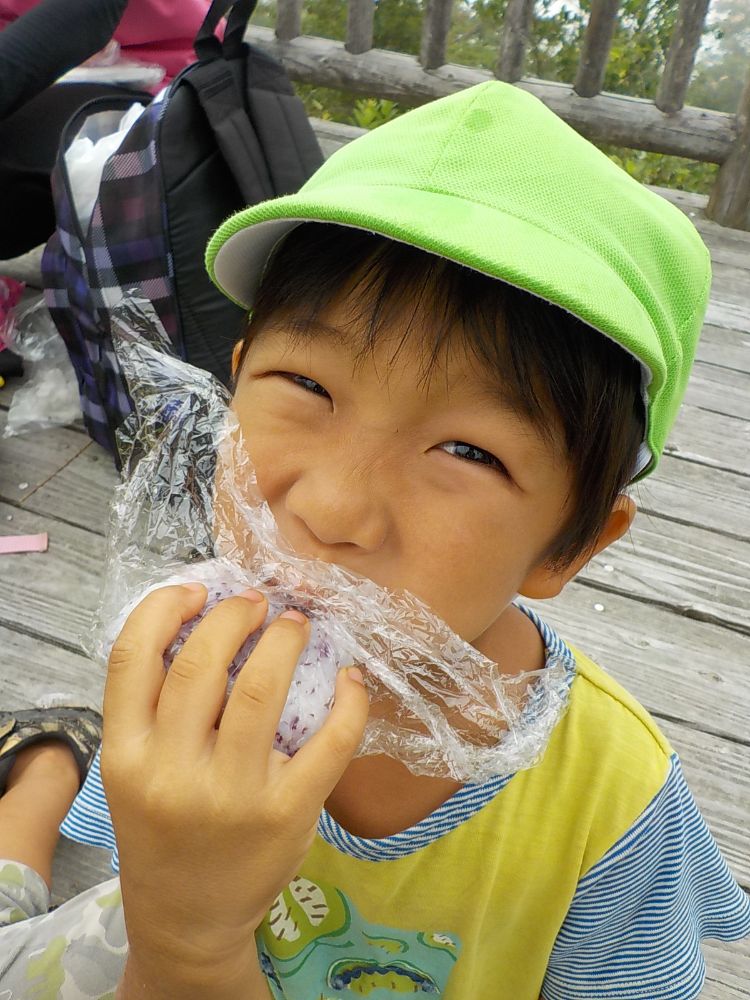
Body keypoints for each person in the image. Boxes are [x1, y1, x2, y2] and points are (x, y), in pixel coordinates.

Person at [1, 81, 749, 999]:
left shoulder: (609, 803)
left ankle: (45, 763)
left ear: (571, 545)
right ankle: (45, 780)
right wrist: (179, 932)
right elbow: (131, 937)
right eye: (306, 386)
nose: (332, 508)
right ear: (233, 383)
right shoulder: (189, 669)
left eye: (469, 452)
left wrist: (195, 943)